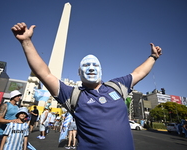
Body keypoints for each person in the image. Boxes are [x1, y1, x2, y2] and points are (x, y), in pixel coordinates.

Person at [11, 22, 162, 150]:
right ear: (79, 72)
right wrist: (26, 42)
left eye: (95, 65)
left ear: (101, 70)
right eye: (86, 65)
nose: (91, 68)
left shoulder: (117, 86)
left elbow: (139, 72)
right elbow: (44, 74)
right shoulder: (72, 95)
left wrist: (153, 57)